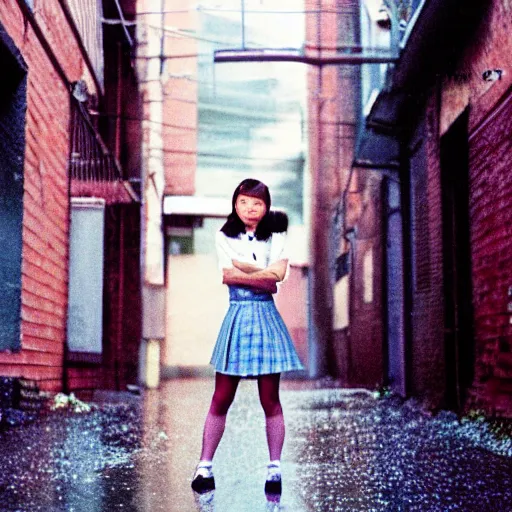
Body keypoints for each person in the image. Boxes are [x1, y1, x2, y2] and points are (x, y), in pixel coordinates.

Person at [191, 178, 304, 496]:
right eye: (243, 201)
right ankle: (204, 467)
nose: (249, 208)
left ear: (266, 206)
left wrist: (248, 272)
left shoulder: (278, 233)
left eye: (256, 202)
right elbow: (228, 277)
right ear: (235, 204)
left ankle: (274, 470)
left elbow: (276, 280)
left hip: (266, 317)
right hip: (238, 315)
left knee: (270, 399)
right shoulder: (223, 235)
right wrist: (263, 272)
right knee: (221, 397)